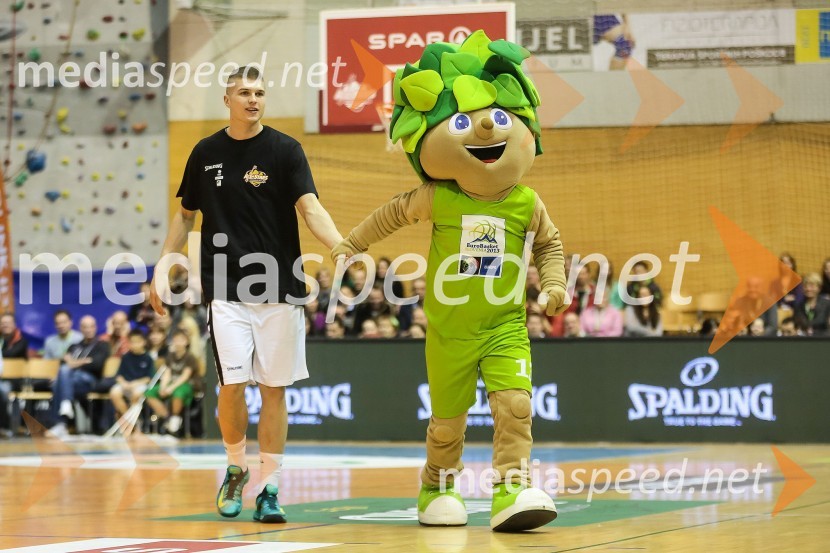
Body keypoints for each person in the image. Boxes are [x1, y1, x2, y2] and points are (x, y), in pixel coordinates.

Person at [149, 65, 342, 523]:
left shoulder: (284, 150)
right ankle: (236, 466)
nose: (253, 99)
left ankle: (270, 486)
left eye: (259, 92)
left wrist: (342, 247)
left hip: (280, 287)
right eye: (244, 92)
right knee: (232, 383)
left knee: (274, 390)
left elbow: (309, 207)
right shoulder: (205, 152)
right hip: (226, 288)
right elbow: (185, 216)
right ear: (227, 100)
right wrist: (162, 265)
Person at [49, 316, 111, 436]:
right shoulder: (75, 346)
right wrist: (84, 361)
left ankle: (61, 422)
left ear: (95, 328)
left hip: (89, 381)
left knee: (61, 379)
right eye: (85, 327)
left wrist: (73, 363)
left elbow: (96, 365)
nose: (88, 329)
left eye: (91, 326)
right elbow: (63, 363)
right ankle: (65, 409)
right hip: (72, 381)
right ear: (80, 328)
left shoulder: (102, 345)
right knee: (58, 381)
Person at [145, 330, 199, 435]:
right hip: (171, 383)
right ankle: (167, 418)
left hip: (186, 384)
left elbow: (185, 376)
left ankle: (175, 418)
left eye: (181, 340)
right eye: (175, 340)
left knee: (177, 393)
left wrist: (171, 388)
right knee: (149, 393)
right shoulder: (170, 356)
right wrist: (163, 386)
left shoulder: (190, 357)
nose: (178, 342)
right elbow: (167, 373)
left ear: (186, 342)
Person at [109, 329, 155, 420]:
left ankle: (135, 418)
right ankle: (128, 418)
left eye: (138, 342)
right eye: (132, 342)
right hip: (126, 384)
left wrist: (135, 384)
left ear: (144, 342)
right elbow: (119, 375)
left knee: (136, 394)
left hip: (140, 385)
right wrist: (124, 383)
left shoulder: (148, 358)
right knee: (114, 393)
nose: (135, 345)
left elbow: (149, 378)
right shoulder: (126, 357)